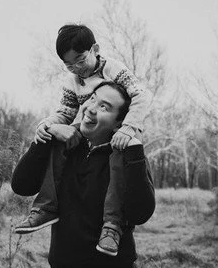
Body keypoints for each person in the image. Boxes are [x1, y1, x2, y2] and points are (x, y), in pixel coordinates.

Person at [10, 81, 156, 268]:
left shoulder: (129, 155)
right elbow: (22, 185)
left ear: (119, 123)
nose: (91, 108)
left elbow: (140, 213)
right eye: (92, 99)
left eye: (105, 107)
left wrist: (134, 152)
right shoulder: (63, 144)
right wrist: (47, 135)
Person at [14, 24, 147, 256]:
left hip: (124, 127)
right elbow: (66, 111)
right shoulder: (72, 80)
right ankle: (46, 207)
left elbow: (141, 95)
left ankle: (112, 225)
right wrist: (48, 125)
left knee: (117, 158)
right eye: (68, 64)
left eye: (80, 60)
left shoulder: (114, 69)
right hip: (90, 129)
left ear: (95, 49)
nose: (76, 68)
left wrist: (128, 128)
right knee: (59, 139)